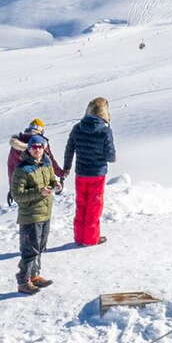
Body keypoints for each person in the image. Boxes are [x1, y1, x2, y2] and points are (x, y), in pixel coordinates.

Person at [9, 131, 61, 294]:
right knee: (30, 249)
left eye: (40, 147)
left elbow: (51, 179)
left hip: (45, 212)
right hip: (30, 215)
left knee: (40, 247)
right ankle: (23, 281)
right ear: (29, 149)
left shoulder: (46, 163)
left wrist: (56, 185)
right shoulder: (22, 169)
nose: (37, 150)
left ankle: (35, 276)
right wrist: (40, 192)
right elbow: (18, 195)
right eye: (34, 147)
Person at [63, 98, 117, 247]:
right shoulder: (105, 130)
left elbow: (69, 149)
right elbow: (111, 156)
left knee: (81, 205)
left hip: (80, 173)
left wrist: (67, 166)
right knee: (94, 206)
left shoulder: (77, 127)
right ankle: (91, 239)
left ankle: (79, 237)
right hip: (97, 173)